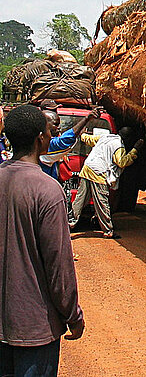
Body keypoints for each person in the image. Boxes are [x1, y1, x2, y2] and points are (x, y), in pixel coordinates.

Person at [0, 105, 84, 377]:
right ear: (40, 138)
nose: (52, 136)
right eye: (50, 131)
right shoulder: (48, 191)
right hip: (34, 327)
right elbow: (58, 266)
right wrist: (73, 315)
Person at [69, 127, 143, 239]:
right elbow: (122, 162)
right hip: (99, 173)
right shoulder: (119, 147)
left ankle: (70, 222)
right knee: (102, 202)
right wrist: (135, 150)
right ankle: (108, 230)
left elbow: (89, 139)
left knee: (80, 199)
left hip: (87, 168)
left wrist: (82, 134)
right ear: (127, 139)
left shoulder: (106, 137)